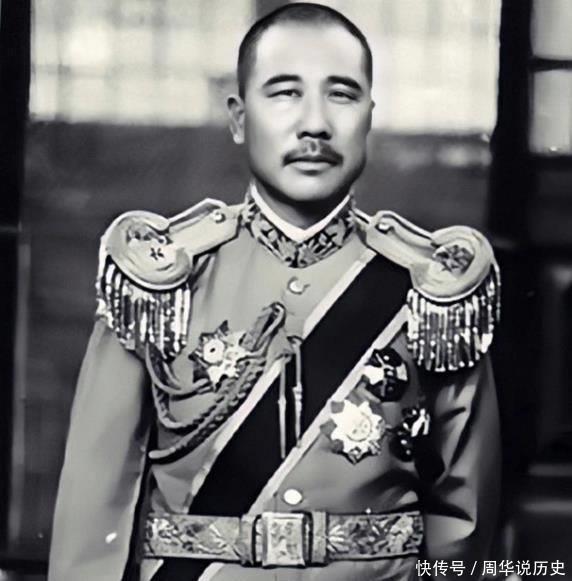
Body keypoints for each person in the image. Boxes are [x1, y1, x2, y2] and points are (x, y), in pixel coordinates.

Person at [48, 3, 501, 581]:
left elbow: (464, 525)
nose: (315, 124)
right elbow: (95, 517)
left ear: (370, 115)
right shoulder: (158, 281)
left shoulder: (434, 293)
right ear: (239, 118)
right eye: (285, 93)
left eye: (342, 94)